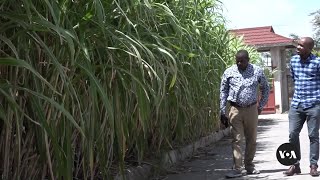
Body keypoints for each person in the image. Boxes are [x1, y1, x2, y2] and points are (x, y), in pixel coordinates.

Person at [220, 49, 270, 178]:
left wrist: (261, 105)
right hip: (235, 110)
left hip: (252, 109)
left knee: (252, 139)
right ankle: (237, 168)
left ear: (248, 60)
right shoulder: (229, 72)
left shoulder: (257, 71)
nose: (239, 63)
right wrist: (222, 111)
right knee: (236, 139)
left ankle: (249, 166)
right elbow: (223, 91)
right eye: (237, 61)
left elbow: (265, 87)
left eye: (242, 61)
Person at [283, 37, 320, 177]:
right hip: (297, 104)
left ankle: (313, 165)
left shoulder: (317, 62)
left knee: (313, 136)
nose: (298, 47)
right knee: (292, 134)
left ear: (310, 48)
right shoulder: (293, 60)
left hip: (313, 105)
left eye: (302, 46)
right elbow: (294, 77)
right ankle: (295, 164)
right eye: (298, 45)